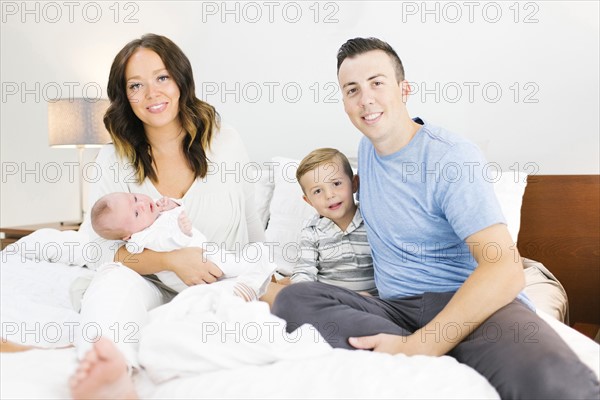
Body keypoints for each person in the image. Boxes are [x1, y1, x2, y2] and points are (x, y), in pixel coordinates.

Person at [271, 37, 600, 399]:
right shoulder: (365, 151)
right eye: (352, 90)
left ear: (404, 89)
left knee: (555, 381)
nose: (366, 99)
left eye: (377, 83)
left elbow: (504, 270)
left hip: (469, 303)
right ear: (345, 102)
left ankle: (434, 347)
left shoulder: (452, 158)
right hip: (393, 309)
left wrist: (423, 344)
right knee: (294, 300)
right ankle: (412, 345)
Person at [74, 33, 265, 373]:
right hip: (152, 283)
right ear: (125, 96)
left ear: (180, 80)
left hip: (221, 285)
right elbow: (97, 251)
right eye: (136, 85)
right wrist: (171, 260)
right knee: (113, 283)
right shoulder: (112, 159)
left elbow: (251, 222)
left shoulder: (225, 141)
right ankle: (104, 371)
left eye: (162, 77)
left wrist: (267, 273)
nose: (152, 94)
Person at [90, 192, 273, 298]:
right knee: (241, 265)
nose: (143, 205)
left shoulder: (154, 217)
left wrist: (172, 205)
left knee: (232, 269)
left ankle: (246, 284)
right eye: (136, 213)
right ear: (128, 236)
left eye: (135, 198)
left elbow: (179, 210)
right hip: (192, 271)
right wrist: (182, 233)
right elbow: (165, 243)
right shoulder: (142, 238)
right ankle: (254, 276)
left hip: (206, 254)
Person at [287, 148, 376, 295]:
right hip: (331, 302)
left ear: (354, 184)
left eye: (336, 184)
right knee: (288, 294)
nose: (329, 195)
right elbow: (304, 272)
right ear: (309, 201)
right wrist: (302, 291)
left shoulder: (372, 220)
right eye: (317, 191)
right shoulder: (312, 230)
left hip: (372, 303)